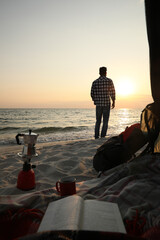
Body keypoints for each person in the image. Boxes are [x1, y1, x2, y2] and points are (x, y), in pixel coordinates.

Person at [91, 66, 116, 139]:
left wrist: (95, 101)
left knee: (98, 121)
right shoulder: (109, 81)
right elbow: (112, 92)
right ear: (106, 72)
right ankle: (102, 136)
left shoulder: (95, 82)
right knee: (105, 121)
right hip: (106, 104)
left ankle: (96, 136)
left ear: (99, 73)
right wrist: (113, 101)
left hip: (98, 104)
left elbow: (92, 93)